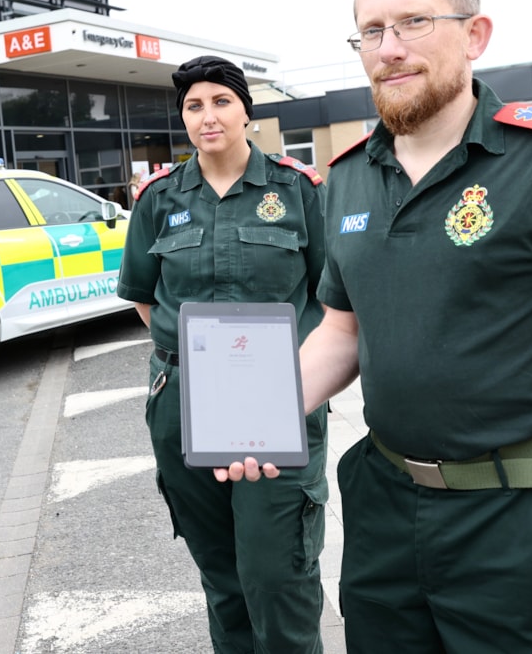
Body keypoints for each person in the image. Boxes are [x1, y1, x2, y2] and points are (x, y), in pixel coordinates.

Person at [222, 0, 532, 654]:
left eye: (413, 23)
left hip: (525, 515)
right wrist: (255, 414)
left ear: (475, 33)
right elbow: (341, 331)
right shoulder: (348, 177)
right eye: (371, 31)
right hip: (388, 512)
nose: (389, 49)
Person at [116, 55, 330, 653]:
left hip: (278, 398)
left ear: (245, 110)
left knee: (278, 575)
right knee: (223, 578)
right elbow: (144, 298)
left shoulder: (297, 190)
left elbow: (331, 297)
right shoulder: (159, 199)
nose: (208, 116)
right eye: (194, 106)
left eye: (221, 101)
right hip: (183, 400)